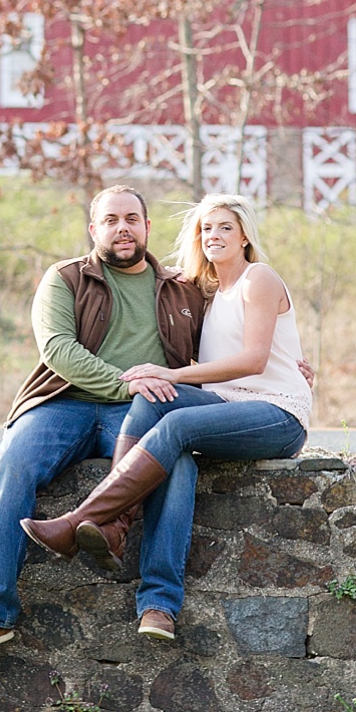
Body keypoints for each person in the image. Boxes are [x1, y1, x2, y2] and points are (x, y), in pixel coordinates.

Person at [21, 193, 312, 641]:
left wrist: (172, 373)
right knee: (151, 396)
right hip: (227, 406)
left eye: (225, 227)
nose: (214, 235)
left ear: (245, 236)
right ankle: (115, 527)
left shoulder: (259, 278)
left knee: (174, 420)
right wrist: (159, 378)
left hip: (277, 413)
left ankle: (80, 520)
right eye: (206, 228)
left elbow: (255, 360)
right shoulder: (206, 293)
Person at [0, 184, 205, 653]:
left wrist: (285, 367)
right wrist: (125, 383)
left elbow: (225, 347)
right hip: (62, 402)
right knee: (13, 463)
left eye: (131, 219)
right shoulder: (65, 278)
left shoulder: (181, 290)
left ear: (148, 227)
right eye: (111, 220)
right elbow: (59, 350)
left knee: (178, 465)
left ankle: (159, 604)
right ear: (93, 229)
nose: (122, 228)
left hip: (140, 411)